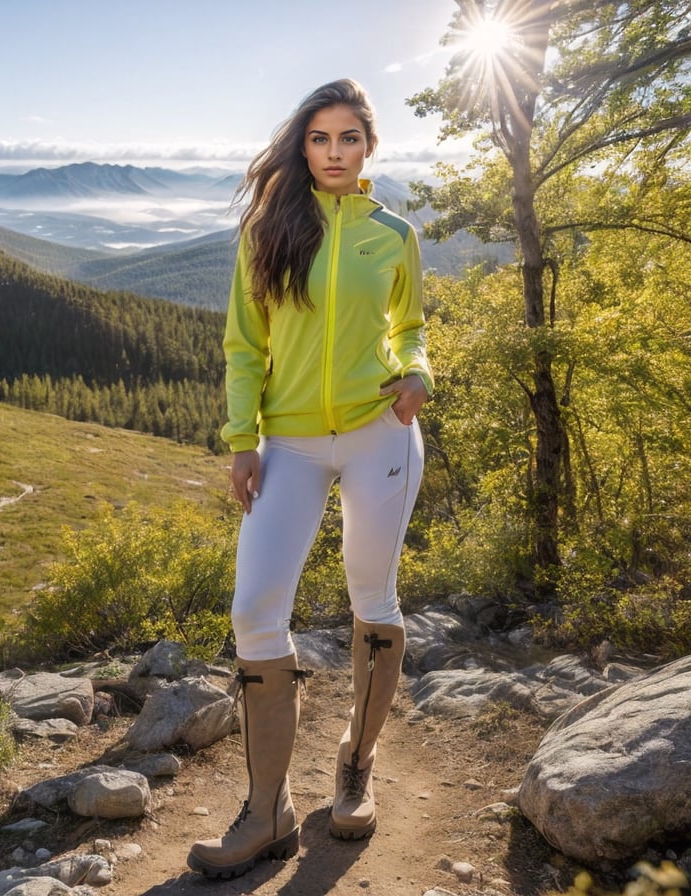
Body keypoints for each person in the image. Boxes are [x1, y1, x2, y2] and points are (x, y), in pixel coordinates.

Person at [187, 78, 433, 880]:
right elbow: (242, 347)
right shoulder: (267, 228)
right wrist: (241, 440)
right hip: (286, 444)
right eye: (321, 138)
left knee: (374, 596)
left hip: (379, 435)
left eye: (349, 139)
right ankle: (269, 811)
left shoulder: (393, 233)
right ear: (303, 145)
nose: (334, 152)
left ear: (369, 146)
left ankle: (355, 766)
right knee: (255, 607)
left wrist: (417, 374)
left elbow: (411, 327)